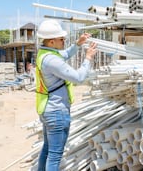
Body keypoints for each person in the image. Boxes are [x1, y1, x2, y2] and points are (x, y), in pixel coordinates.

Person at [35, 19, 97, 171]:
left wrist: (78, 43)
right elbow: (78, 77)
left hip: (47, 108)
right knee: (55, 156)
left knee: (47, 149)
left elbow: (65, 54)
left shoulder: (44, 54)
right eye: (61, 39)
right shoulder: (52, 60)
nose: (64, 41)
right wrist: (88, 58)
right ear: (51, 41)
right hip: (56, 112)